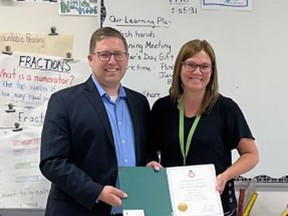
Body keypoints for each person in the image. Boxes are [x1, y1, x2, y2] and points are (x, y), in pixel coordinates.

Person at [40, 27, 155, 216]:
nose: (112, 61)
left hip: (131, 210)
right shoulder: (64, 101)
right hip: (79, 210)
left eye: (118, 54)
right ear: (91, 59)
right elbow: (52, 161)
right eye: (104, 54)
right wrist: (97, 192)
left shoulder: (139, 103)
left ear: (126, 59)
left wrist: (150, 165)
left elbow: (146, 154)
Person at [148, 39, 259, 215]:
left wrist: (224, 176)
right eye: (190, 65)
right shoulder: (162, 108)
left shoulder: (226, 108)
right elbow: (150, 151)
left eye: (204, 66)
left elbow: (251, 155)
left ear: (212, 71)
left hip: (214, 204)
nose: (197, 72)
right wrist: (151, 163)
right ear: (180, 68)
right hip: (172, 204)